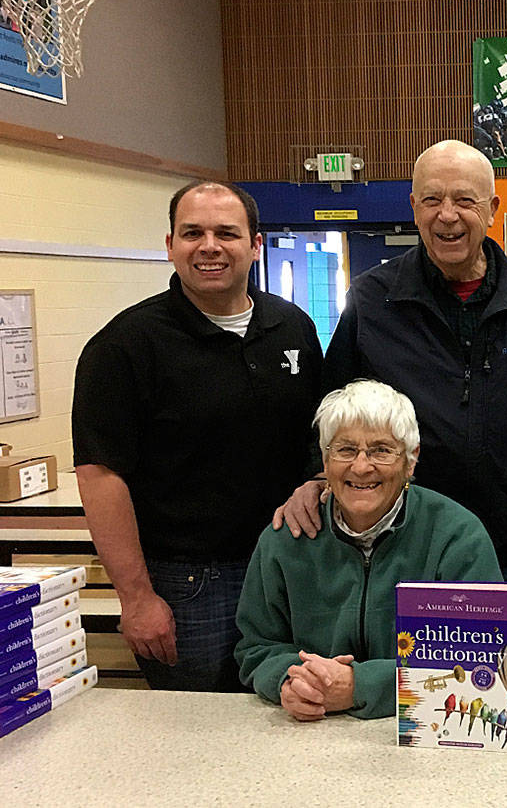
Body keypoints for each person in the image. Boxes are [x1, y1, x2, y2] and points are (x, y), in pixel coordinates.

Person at [274, 140, 507, 605]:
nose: (448, 215)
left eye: (464, 200)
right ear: (414, 208)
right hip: (406, 552)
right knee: (416, 680)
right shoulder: (374, 301)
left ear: (492, 209)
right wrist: (317, 478)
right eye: (432, 200)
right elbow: (330, 410)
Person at [72, 181, 323, 691]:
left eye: (226, 233)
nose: (209, 246)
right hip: (187, 586)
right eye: (193, 233)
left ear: (255, 245)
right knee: (197, 734)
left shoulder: (291, 326)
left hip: (290, 565)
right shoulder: (125, 345)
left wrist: (314, 480)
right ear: (170, 245)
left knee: (294, 713)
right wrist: (138, 598)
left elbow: (318, 433)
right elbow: (100, 476)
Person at [235, 380, 501, 720]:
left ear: (411, 460)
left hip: (421, 731)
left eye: (381, 450)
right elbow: (256, 647)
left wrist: (360, 686)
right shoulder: (285, 538)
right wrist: (290, 681)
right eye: (345, 450)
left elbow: (483, 662)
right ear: (325, 460)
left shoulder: (458, 537)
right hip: (311, 731)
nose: (361, 467)